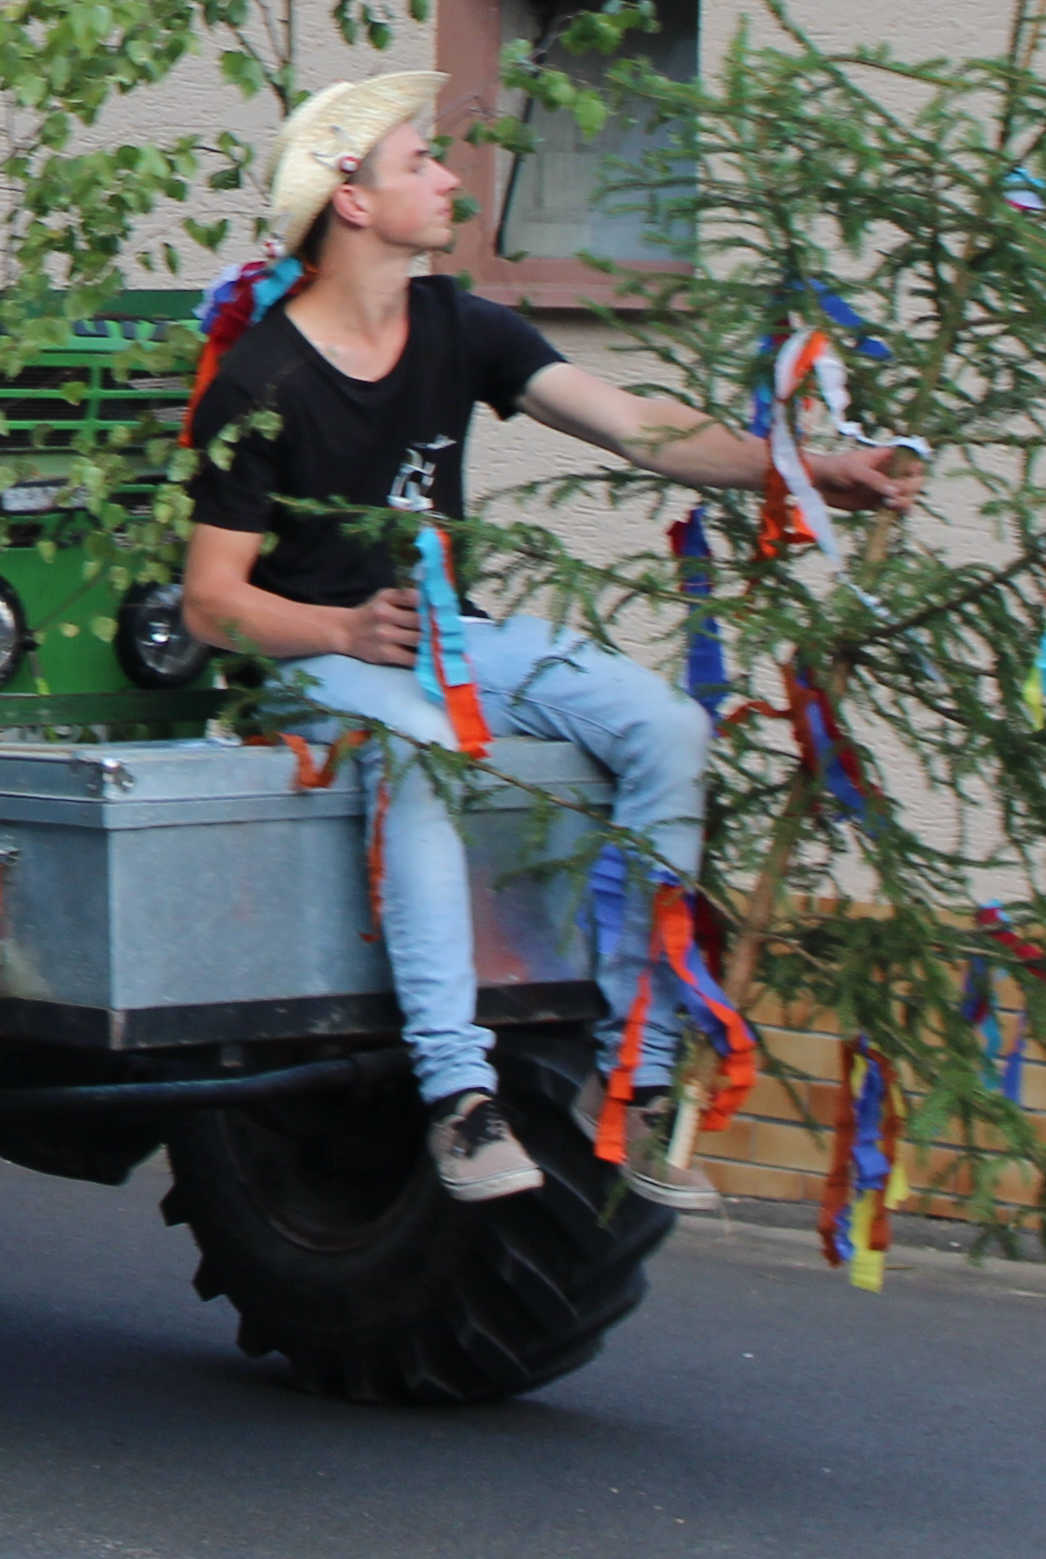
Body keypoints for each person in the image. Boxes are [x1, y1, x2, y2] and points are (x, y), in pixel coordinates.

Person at [183, 72, 922, 1210]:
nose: (448, 177)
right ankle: (457, 1097)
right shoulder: (263, 381)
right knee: (427, 748)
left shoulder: (458, 326)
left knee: (666, 728)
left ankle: (633, 1073)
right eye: (419, 161)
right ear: (354, 203)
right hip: (314, 667)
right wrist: (339, 623)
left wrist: (810, 471)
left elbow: (642, 428)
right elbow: (212, 604)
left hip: (449, 644)